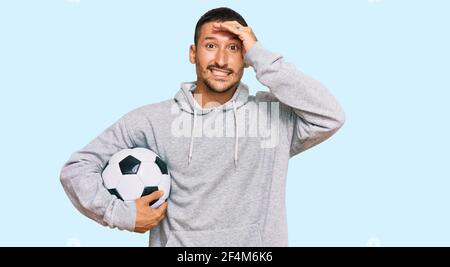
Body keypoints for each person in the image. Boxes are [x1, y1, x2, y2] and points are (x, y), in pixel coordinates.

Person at [60, 7, 345, 246]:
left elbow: (330, 115)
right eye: (211, 46)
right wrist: (121, 213)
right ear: (193, 53)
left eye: (234, 48)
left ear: (245, 58)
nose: (221, 60)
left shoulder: (274, 117)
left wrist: (259, 54)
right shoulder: (152, 120)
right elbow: (77, 168)